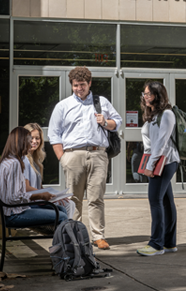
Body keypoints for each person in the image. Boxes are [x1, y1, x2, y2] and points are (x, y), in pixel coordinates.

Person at [48, 66, 122, 250]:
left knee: (97, 197)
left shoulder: (101, 102)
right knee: (74, 199)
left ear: (90, 83)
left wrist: (105, 122)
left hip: (98, 154)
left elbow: (117, 122)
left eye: (82, 85)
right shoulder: (63, 106)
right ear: (71, 85)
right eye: (75, 85)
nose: (79, 89)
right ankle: (76, 236)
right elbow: (54, 134)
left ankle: (98, 236)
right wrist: (62, 158)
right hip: (72, 155)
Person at [136, 81, 180, 257]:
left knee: (155, 200)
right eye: (144, 94)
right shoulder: (152, 115)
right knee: (167, 202)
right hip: (157, 161)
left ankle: (156, 244)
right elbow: (150, 144)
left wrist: (150, 166)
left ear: (157, 95)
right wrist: (147, 161)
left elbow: (161, 144)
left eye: (148, 94)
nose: (145, 97)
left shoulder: (167, 114)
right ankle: (169, 243)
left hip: (165, 162)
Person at [0, 127, 68, 228]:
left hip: (8, 211)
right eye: (29, 141)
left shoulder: (7, 160)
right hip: (13, 215)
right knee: (62, 216)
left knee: (61, 210)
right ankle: (63, 243)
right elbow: (14, 198)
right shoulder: (15, 163)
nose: (31, 144)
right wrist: (40, 196)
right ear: (22, 142)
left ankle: (61, 241)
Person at [23, 123, 75, 218]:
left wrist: (57, 195)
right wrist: (46, 195)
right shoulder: (23, 159)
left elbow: (39, 188)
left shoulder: (36, 162)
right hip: (28, 204)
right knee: (68, 205)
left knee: (68, 202)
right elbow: (26, 188)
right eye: (31, 138)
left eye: (37, 138)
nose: (34, 141)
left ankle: (64, 230)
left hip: (37, 200)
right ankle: (65, 230)